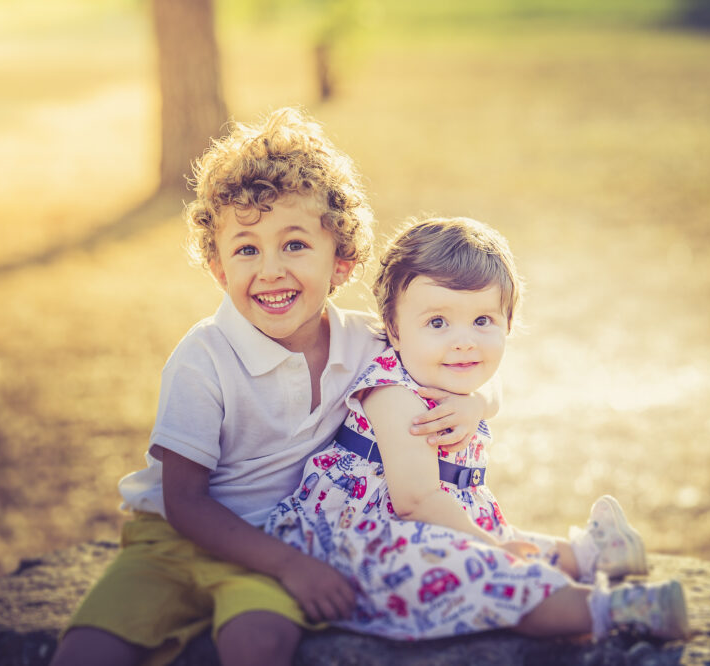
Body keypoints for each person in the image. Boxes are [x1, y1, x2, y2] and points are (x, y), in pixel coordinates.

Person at [51, 109, 495, 666]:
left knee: (261, 644)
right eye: (246, 250)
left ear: (343, 260)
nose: (270, 270)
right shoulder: (203, 358)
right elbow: (184, 501)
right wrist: (291, 568)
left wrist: (478, 402)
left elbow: (445, 367)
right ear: (218, 269)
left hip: (284, 538)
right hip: (169, 543)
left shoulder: (368, 343)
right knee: (87, 651)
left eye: (294, 245)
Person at [266, 216, 689, 642]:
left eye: (483, 321)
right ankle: (617, 611)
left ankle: (592, 555)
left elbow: (495, 392)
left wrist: (478, 405)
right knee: (495, 573)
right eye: (438, 323)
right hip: (365, 539)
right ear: (394, 330)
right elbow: (414, 499)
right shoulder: (393, 394)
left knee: (516, 544)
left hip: (444, 516)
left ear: (508, 323)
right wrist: (488, 545)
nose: (464, 341)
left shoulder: (459, 382)